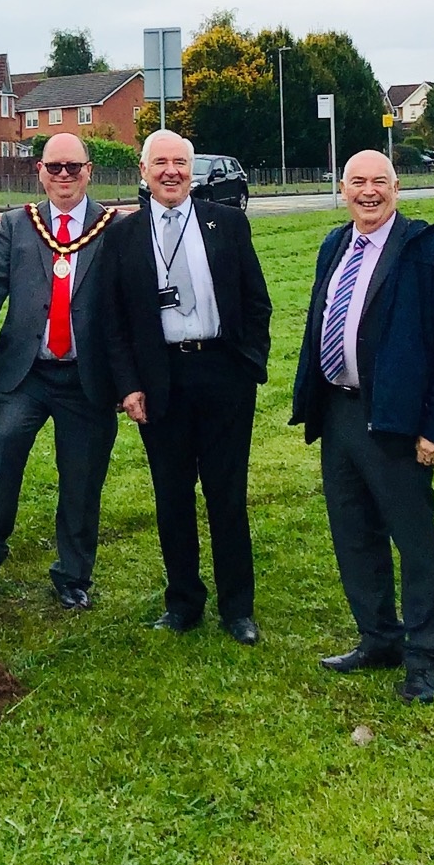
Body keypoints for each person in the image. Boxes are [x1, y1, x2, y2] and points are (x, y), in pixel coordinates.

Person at [291, 149, 434, 704]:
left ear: (397, 187)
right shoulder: (335, 244)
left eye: (379, 182)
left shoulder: (433, 253)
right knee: (354, 534)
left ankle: (423, 658)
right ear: (342, 188)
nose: (368, 192)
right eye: (357, 182)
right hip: (340, 413)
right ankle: (378, 638)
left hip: (398, 421)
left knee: (414, 541)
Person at [103, 130, 272, 643]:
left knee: (227, 495)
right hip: (161, 381)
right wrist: (128, 386)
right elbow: (112, 322)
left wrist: (250, 365)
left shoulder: (228, 224)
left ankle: (237, 608)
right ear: (143, 171)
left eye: (180, 162)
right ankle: (182, 603)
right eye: (161, 163)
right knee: (172, 495)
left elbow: (256, 302)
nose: (171, 172)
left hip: (223, 374)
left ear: (192, 171)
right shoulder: (124, 235)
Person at [0, 132, 120, 611]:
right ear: (39, 171)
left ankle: (73, 574)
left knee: (81, 477)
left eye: (73, 167)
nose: (63, 176)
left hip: (88, 378)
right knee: (2, 446)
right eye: (54, 167)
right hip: (28, 371)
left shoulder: (113, 228)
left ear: (89, 171)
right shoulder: (18, 225)